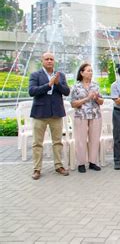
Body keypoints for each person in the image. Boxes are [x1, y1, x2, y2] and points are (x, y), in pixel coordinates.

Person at [28, 52, 70, 180]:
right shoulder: (35, 75)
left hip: (56, 113)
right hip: (40, 113)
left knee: (57, 142)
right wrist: (49, 85)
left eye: (51, 59)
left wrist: (57, 83)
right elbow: (32, 91)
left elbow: (67, 92)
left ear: (54, 61)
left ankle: (58, 165)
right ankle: (37, 169)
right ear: (42, 61)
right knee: (37, 143)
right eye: (47, 59)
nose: (49, 61)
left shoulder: (60, 75)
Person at [70, 63, 104, 173]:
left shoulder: (96, 85)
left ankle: (93, 162)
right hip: (81, 115)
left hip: (95, 115)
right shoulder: (76, 86)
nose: (91, 73)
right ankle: (81, 163)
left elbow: (101, 101)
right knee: (81, 140)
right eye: (88, 70)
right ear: (82, 73)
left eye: (91, 70)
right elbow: (73, 103)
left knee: (94, 139)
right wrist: (87, 98)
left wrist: (96, 98)